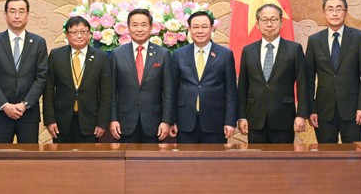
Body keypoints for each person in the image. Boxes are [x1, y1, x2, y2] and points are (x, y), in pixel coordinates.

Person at [237, 4, 308, 144]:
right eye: (264, 20)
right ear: (257, 24)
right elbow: (243, 86)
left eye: (274, 19)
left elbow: (303, 84)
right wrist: (241, 116)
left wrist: (301, 115)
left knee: (283, 163)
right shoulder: (248, 51)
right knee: (257, 163)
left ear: (281, 23)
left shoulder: (294, 50)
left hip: (284, 119)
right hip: (255, 120)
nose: (269, 24)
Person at [306, 0, 361, 144]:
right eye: (330, 9)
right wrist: (312, 109)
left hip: (353, 111)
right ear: (324, 13)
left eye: (339, 9)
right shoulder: (314, 40)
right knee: (326, 157)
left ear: (345, 12)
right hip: (323, 112)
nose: (334, 13)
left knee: (354, 157)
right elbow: (308, 79)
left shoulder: (359, 38)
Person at [0, 0, 48, 143]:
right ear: (5, 15)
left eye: (21, 11)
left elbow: (41, 77)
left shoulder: (38, 42)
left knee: (29, 161)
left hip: (28, 114)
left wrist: (24, 104)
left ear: (28, 15)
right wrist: (5, 105)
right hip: (0, 113)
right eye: (12, 11)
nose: (17, 16)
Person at [109, 8, 175, 143]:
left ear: (151, 28)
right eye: (135, 25)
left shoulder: (163, 54)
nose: (139, 29)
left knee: (152, 163)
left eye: (144, 25)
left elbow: (169, 91)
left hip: (155, 123)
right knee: (126, 163)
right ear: (128, 28)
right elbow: (111, 91)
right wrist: (112, 119)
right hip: (124, 122)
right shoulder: (117, 54)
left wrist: (166, 121)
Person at [171, 11, 237, 144]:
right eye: (195, 27)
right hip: (185, 122)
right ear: (189, 29)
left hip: (215, 122)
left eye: (204, 26)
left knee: (214, 163)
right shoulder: (178, 54)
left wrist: (230, 121)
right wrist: (170, 120)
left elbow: (231, 92)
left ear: (212, 28)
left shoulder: (225, 55)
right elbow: (172, 90)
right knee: (186, 160)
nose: (200, 31)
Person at [44, 16, 111, 143]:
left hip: (90, 121)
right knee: (62, 161)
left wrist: (102, 122)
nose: (79, 36)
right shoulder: (56, 55)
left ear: (89, 34)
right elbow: (48, 90)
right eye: (74, 32)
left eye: (84, 31)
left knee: (88, 161)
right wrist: (50, 120)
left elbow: (106, 93)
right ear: (67, 35)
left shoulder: (100, 57)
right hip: (61, 122)